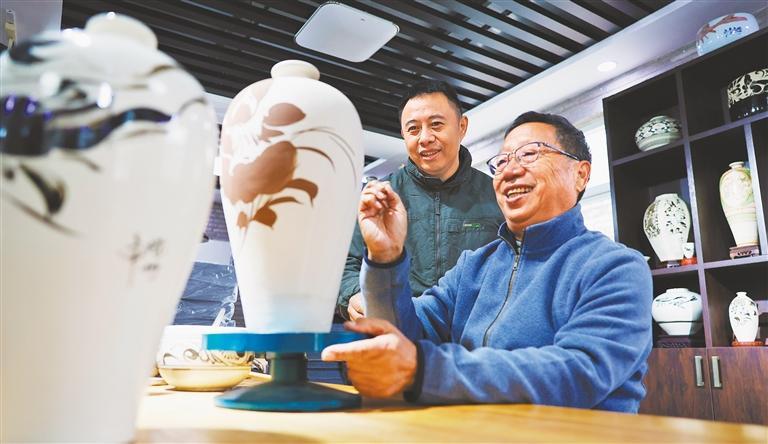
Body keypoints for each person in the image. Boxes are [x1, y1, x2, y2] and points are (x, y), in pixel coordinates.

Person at [322, 111, 653, 412]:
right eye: (502, 161)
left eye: (530, 154)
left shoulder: (615, 267)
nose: (510, 170)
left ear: (580, 174)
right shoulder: (475, 266)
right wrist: (385, 258)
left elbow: (578, 372)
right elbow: (401, 334)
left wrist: (426, 368)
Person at [337, 80, 503, 321]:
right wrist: (353, 294)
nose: (425, 138)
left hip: (475, 332)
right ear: (403, 135)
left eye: (436, 124)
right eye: (413, 129)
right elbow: (345, 264)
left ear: (462, 126)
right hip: (398, 327)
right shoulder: (381, 197)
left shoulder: (497, 195)